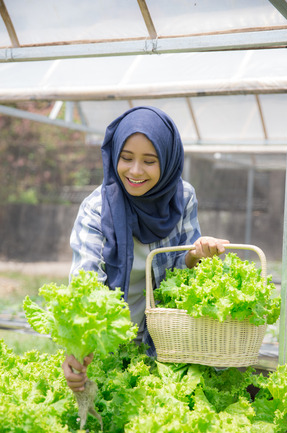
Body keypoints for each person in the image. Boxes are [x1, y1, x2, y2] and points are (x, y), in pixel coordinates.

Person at [62, 106, 229, 392]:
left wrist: (194, 256)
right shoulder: (97, 209)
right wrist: (76, 346)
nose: (135, 171)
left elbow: (180, 277)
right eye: (126, 158)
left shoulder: (182, 197)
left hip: (165, 344)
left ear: (167, 159)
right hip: (107, 344)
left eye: (149, 161)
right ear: (114, 155)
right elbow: (85, 284)